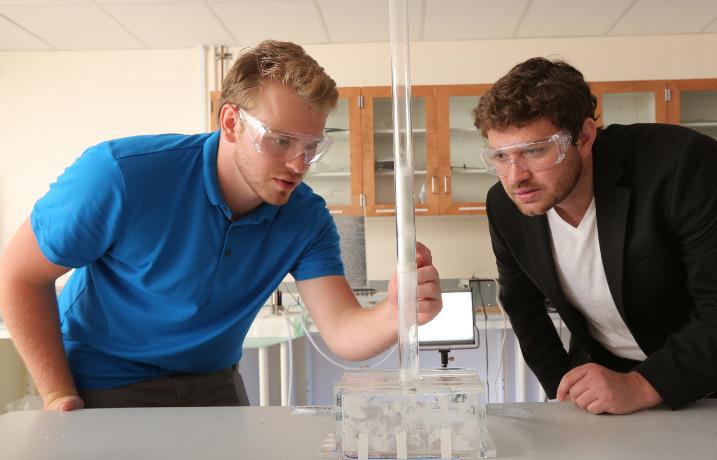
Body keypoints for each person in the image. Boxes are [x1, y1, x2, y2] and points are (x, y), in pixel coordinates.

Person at [0, 40, 441, 411]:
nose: (298, 163)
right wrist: (57, 393)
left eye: (312, 147)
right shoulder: (121, 175)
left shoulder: (305, 217)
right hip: (102, 380)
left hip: (213, 382)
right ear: (231, 122)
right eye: (281, 140)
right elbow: (19, 275)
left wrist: (393, 314)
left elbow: (342, 329)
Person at [474, 57, 717, 415]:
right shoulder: (506, 206)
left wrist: (644, 384)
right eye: (500, 156)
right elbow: (522, 305)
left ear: (584, 136)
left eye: (534, 151)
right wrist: (565, 389)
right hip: (619, 387)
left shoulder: (681, 164)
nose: (514, 176)